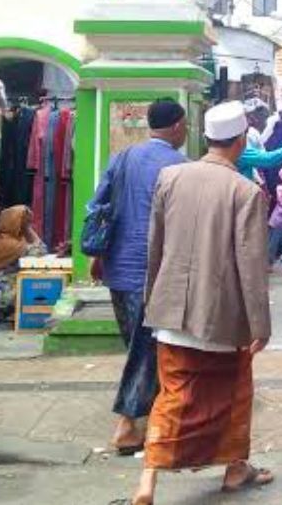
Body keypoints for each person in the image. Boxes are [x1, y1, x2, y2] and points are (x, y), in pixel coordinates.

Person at [127, 101, 273, 504]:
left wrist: (152, 299)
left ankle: (148, 482)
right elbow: (252, 264)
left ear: (205, 138)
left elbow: (154, 246)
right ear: (242, 140)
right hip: (222, 318)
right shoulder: (246, 191)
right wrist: (260, 325)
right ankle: (233, 468)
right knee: (235, 394)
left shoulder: (170, 177)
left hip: (170, 311)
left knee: (172, 396)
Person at [92, 99, 189, 456]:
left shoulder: (122, 158)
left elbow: (98, 205)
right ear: (178, 126)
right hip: (154, 273)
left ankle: (158, 413)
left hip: (118, 269)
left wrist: (99, 253)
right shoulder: (180, 166)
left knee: (138, 345)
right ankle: (127, 424)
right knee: (145, 349)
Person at [0, 205, 45, 323]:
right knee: (35, 284)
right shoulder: (6, 243)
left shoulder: (10, 240)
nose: (27, 226)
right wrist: (28, 230)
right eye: (25, 223)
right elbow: (40, 250)